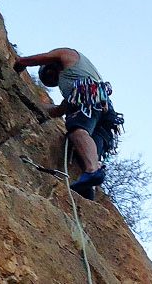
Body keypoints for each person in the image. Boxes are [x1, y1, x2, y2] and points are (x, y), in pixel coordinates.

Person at [14, 48, 122, 200]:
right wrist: (31, 104)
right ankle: (88, 187)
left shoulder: (69, 54)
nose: (55, 80)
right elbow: (59, 110)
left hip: (89, 98)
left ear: (50, 67)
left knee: (77, 130)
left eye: (51, 76)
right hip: (104, 110)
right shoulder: (75, 82)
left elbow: (42, 57)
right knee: (86, 149)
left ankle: (92, 171)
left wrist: (21, 62)